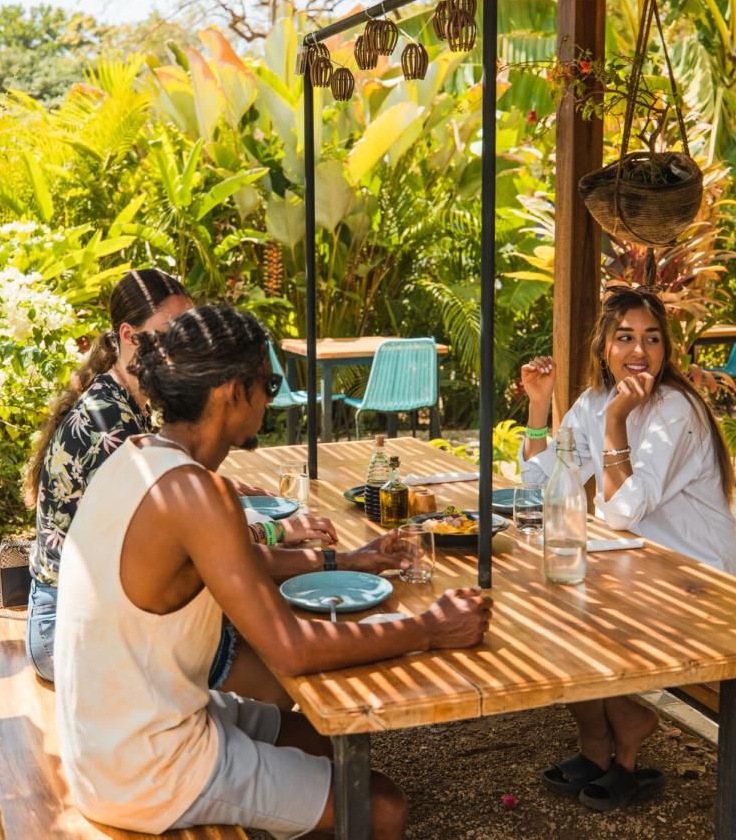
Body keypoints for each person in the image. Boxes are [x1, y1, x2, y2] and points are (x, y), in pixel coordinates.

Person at [54, 305, 492, 839]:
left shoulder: (138, 456)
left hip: (111, 736)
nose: (270, 396)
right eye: (269, 382)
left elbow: (241, 563)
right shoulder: (195, 491)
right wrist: (428, 628)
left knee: (322, 739)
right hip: (144, 767)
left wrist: (344, 559)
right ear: (230, 393)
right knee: (381, 808)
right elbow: (291, 649)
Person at [24, 269, 405, 695]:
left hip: (98, 622)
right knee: (275, 662)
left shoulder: (129, 412)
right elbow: (207, 547)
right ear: (128, 337)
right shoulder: (110, 427)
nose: (187, 347)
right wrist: (283, 533)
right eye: (173, 335)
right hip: (63, 630)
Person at [519, 285, 736, 812]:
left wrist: (618, 420)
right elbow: (541, 477)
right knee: (552, 613)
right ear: (603, 347)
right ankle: (598, 746)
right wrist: (538, 403)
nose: (638, 350)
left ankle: (625, 740)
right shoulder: (595, 400)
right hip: (640, 567)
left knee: (580, 619)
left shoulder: (675, 411)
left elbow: (621, 510)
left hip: (699, 580)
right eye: (625, 337)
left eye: (651, 338)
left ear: (666, 351)